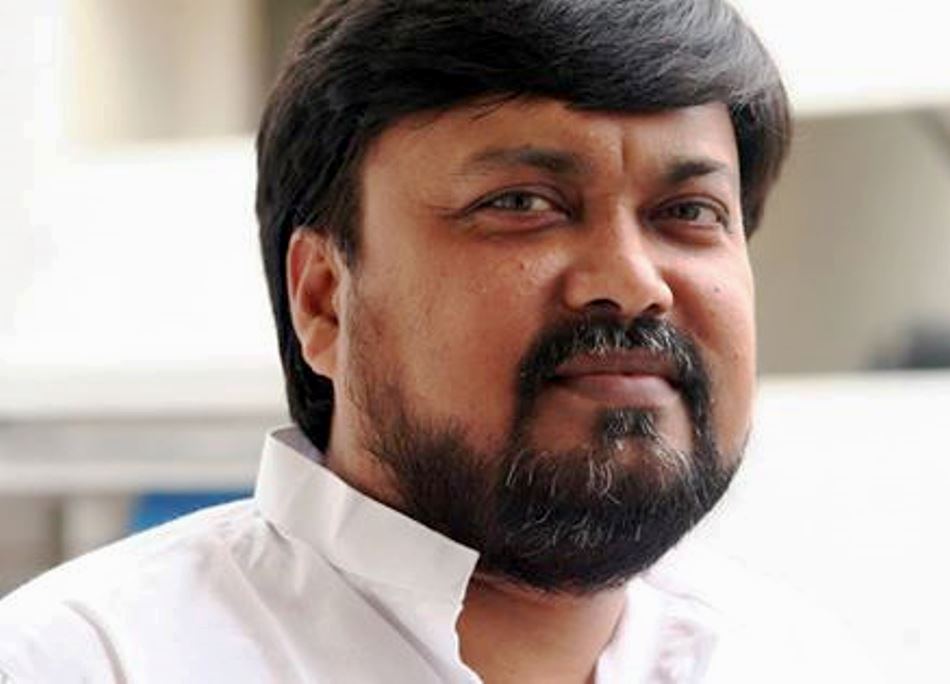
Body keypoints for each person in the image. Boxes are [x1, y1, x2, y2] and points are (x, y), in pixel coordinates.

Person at [0, 1, 870, 681]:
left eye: (689, 212)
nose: (634, 281)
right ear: (324, 299)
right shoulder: (86, 662)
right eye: (522, 203)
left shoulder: (800, 662)